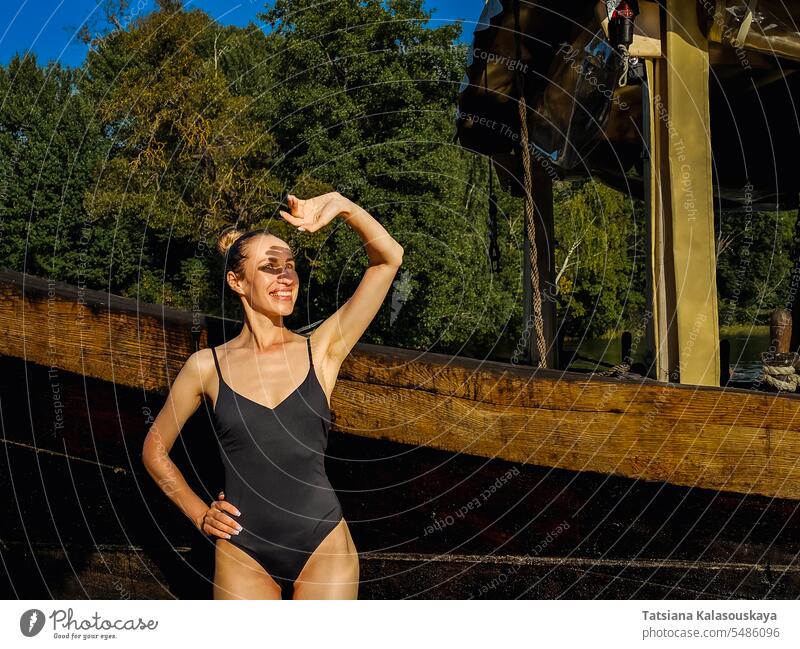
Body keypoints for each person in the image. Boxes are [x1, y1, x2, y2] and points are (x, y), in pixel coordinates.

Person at [142, 192, 404, 599]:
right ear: (237, 281)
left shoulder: (322, 349)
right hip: (243, 550)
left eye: (290, 267)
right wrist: (199, 515)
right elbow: (154, 450)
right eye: (269, 268)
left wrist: (341, 205)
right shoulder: (206, 367)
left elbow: (389, 259)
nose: (286, 277)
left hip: (323, 543)